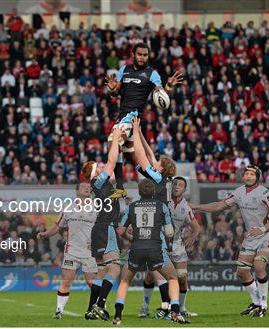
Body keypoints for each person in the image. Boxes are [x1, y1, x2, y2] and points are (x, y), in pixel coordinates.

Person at [190, 166, 269, 318]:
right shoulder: (239, 192)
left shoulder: (265, 193)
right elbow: (219, 205)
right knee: (242, 272)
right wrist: (197, 207)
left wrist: (263, 229)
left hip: (266, 234)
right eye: (246, 174)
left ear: (257, 177)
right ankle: (255, 302)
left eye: (252, 174)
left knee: (259, 265)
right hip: (251, 236)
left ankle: (263, 305)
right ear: (243, 176)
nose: (249, 176)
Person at [105, 42, 183, 197]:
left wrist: (168, 87)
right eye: (139, 54)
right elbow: (115, 94)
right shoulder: (124, 70)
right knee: (133, 158)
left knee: (113, 141)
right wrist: (113, 89)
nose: (142, 57)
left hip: (132, 116)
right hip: (123, 116)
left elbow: (160, 94)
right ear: (133, 55)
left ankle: (119, 187)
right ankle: (161, 183)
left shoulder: (151, 74)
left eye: (145, 55)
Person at [113, 179, 188, 325]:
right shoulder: (162, 206)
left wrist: (131, 236)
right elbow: (169, 232)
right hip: (155, 248)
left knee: (124, 281)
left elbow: (120, 230)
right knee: (172, 278)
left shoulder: (132, 206)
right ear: (153, 192)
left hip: (136, 248)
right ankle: (175, 312)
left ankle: (117, 316)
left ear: (139, 192)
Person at [131, 116, 178, 319]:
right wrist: (139, 132)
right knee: (156, 268)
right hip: (161, 225)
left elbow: (142, 156)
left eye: (158, 163)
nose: (154, 162)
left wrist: (134, 134)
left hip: (155, 227)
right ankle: (166, 305)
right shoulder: (163, 179)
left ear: (161, 168)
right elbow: (149, 153)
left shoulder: (158, 177)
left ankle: (167, 306)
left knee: (158, 269)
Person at [80, 127, 123, 321]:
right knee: (115, 268)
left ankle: (91, 308)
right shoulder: (98, 183)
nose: (102, 167)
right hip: (106, 228)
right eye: (98, 167)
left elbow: (117, 167)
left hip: (99, 229)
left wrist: (118, 147)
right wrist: (114, 141)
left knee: (103, 271)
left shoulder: (100, 186)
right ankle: (99, 305)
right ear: (93, 174)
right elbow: (112, 162)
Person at [37, 182, 97, 319]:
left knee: (91, 282)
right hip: (72, 251)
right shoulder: (68, 208)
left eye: (89, 187)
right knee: (66, 281)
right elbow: (57, 227)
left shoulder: (96, 208)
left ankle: (99, 307)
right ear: (77, 191)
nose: (87, 188)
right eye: (83, 187)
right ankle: (59, 310)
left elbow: (103, 229)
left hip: (90, 252)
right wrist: (45, 234)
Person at [167, 176, 202, 317]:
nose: (176, 186)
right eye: (175, 184)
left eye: (180, 185)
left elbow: (197, 227)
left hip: (176, 243)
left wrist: (192, 237)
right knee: (154, 277)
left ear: (184, 189)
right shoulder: (164, 201)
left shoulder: (186, 208)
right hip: (160, 243)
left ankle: (181, 308)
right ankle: (147, 308)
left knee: (182, 277)